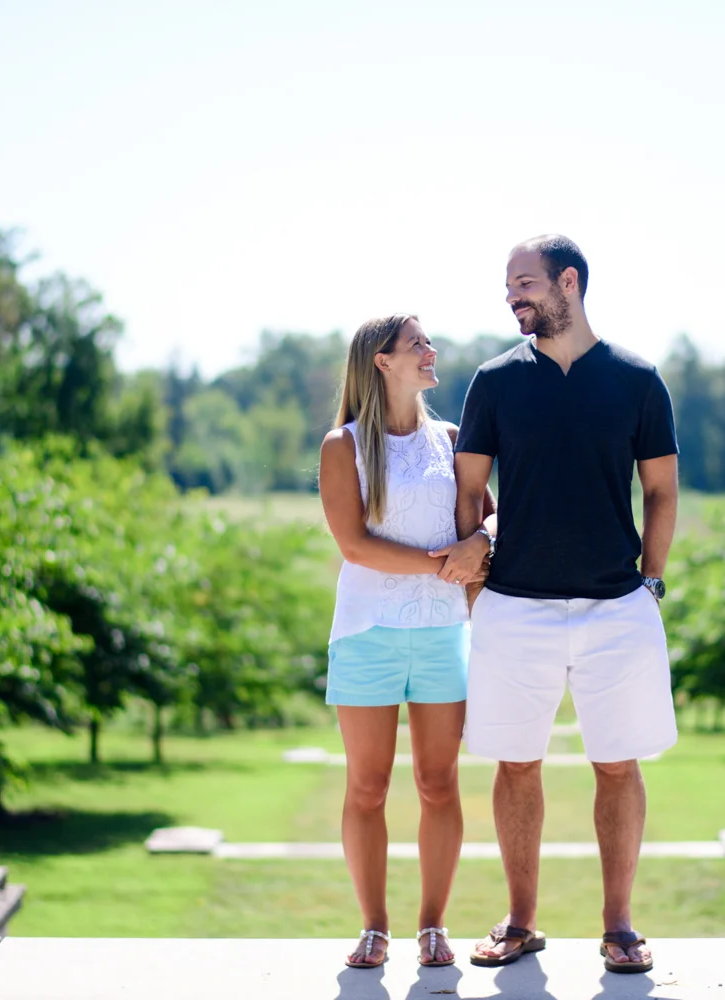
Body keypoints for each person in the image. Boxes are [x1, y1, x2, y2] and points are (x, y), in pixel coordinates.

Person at [454, 236, 679, 975]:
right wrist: (477, 588)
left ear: (569, 283)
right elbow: (468, 490)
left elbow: (661, 492)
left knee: (617, 765)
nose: (513, 297)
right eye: (508, 286)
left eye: (525, 283)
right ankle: (520, 923)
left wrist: (651, 582)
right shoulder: (493, 381)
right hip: (514, 609)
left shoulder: (639, 380)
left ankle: (618, 926)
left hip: (619, 608)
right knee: (516, 764)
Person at [318, 314, 495, 970]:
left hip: (444, 635)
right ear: (382, 362)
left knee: (437, 783)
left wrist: (482, 544)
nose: (431, 351)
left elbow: (489, 519)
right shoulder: (343, 446)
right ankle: (373, 928)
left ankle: (431, 927)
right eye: (417, 343)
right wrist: (443, 564)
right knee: (366, 788)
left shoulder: (452, 439)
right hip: (367, 637)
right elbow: (354, 546)